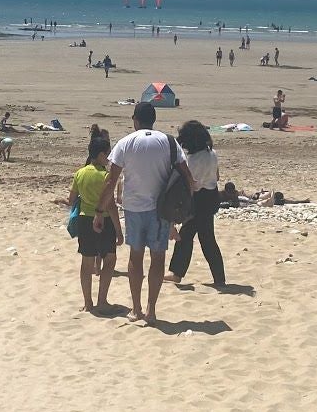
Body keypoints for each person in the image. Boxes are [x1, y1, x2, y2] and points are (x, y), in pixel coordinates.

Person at [96, 101, 192, 325]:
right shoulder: (169, 141)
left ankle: (136, 308)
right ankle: (151, 310)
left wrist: (99, 210)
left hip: (134, 208)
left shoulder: (125, 142)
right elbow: (187, 176)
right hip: (161, 209)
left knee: (135, 257)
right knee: (157, 258)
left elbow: (111, 180)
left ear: (135, 120)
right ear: (154, 119)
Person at [167, 120, 225, 287]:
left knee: (189, 236)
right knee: (204, 238)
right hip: (211, 196)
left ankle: (177, 273)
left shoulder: (194, 160)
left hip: (199, 199)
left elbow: (191, 185)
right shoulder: (212, 153)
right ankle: (219, 278)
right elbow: (217, 176)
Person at [69, 126, 120, 312]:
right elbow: (111, 205)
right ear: (100, 155)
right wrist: (119, 231)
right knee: (110, 259)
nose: (109, 158)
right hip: (103, 220)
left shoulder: (80, 173)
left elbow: (71, 199)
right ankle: (102, 301)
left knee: (87, 262)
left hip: (84, 220)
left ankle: (87, 303)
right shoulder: (106, 176)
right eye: (107, 154)